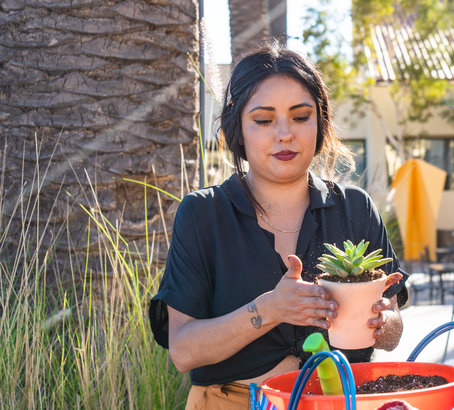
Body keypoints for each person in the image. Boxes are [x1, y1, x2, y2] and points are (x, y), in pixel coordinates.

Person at [148, 43, 408, 409]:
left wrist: (383, 324)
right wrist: (269, 310)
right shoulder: (203, 214)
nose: (284, 134)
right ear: (237, 127)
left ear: (320, 123)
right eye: (264, 120)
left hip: (344, 401)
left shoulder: (356, 208)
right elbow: (183, 351)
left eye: (301, 117)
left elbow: (393, 328)